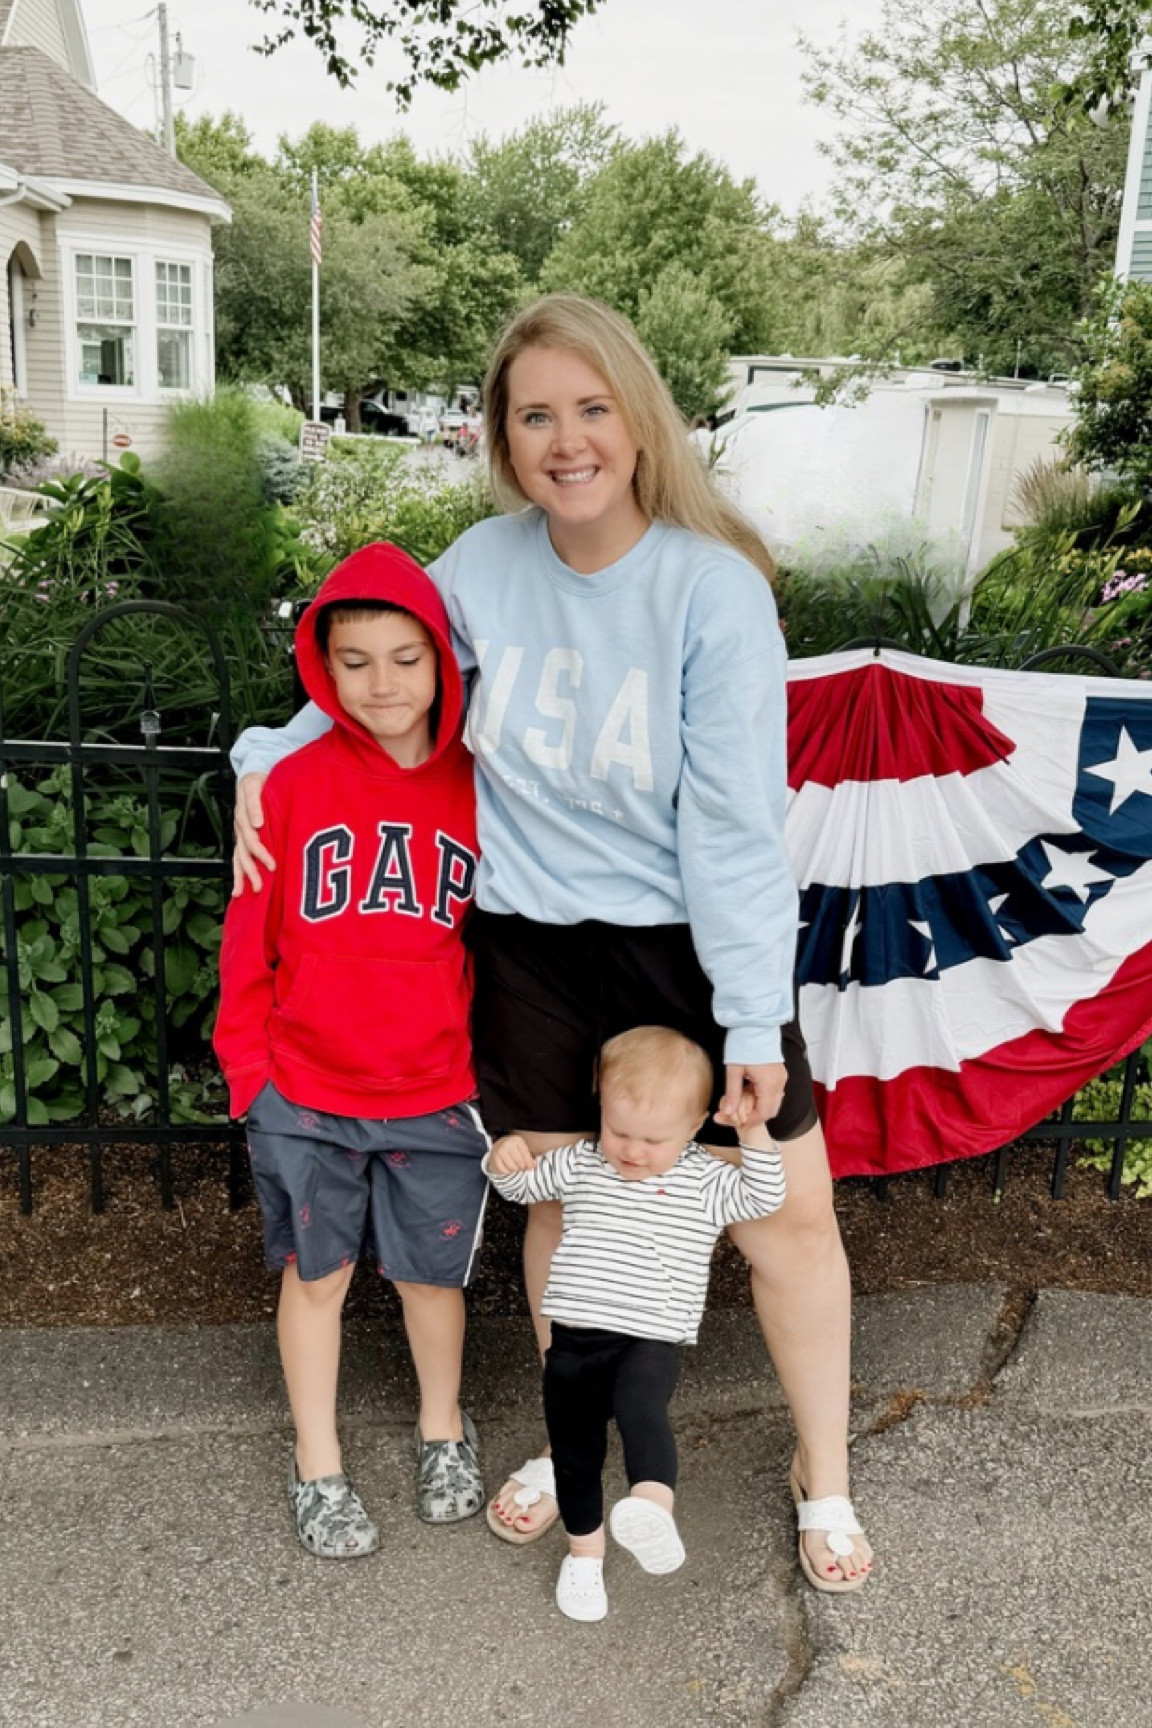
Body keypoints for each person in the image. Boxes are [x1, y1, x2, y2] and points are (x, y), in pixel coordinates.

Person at [230, 292, 873, 1592]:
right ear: (502, 436)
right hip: (527, 947)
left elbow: (740, 824)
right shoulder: (479, 569)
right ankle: (574, 1437)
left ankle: (826, 1476)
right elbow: (375, 692)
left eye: (590, 409)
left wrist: (749, 1016)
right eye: (536, 415)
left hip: (686, 953)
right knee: (566, 1208)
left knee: (784, 1221)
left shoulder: (710, 588)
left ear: (636, 421)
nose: (566, 439)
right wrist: (265, 754)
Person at [214, 541, 487, 1559]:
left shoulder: (479, 785)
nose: (382, 682)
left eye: (406, 657)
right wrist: (254, 1077)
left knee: (431, 1280)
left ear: (443, 663)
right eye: (356, 659)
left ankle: (442, 1430)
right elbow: (250, 943)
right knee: (316, 1276)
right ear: (321, 668)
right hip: (307, 1090)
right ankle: (318, 1464)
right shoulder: (287, 782)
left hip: (435, 1088)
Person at [484, 1026, 787, 1622]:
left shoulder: (703, 1179)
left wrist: (751, 1130)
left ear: (696, 1125)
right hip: (571, 1340)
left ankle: (651, 1503)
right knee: (574, 1453)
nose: (632, 1149)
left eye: (653, 1139)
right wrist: (503, 1159)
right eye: (620, 1130)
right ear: (601, 1109)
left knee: (643, 1411)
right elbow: (521, 1186)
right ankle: (584, 1555)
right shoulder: (582, 1162)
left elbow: (765, 1194)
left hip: (649, 1337)